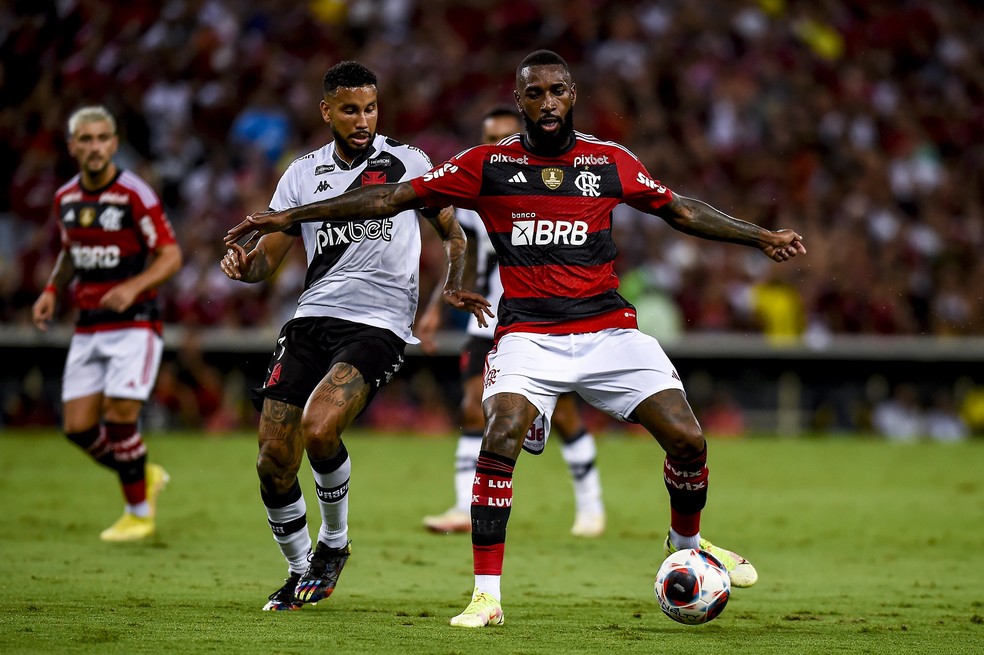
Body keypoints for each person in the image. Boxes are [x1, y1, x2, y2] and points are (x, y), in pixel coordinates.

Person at [224, 50, 807, 627]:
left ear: (572, 95)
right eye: (536, 93)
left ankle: (687, 543)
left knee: (688, 440)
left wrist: (760, 237)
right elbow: (391, 198)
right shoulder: (486, 165)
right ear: (520, 101)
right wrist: (289, 217)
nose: (548, 102)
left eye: (558, 91)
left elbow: (678, 209)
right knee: (497, 435)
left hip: (608, 328)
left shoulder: (609, 161)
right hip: (527, 333)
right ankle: (486, 596)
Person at [219, 61, 490, 612]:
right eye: (350, 109)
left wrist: (453, 286)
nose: (363, 119)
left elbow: (454, 233)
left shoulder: (408, 162)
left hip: (381, 322)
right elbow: (266, 262)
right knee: (273, 455)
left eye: (370, 108)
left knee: (320, 427)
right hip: (312, 317)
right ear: (327, 112)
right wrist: (242, 267)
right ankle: (299, 572)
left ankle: (334, 543)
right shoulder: (300, 173)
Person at [417, 106, 605, 538]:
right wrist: (434, 307)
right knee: (471, 407)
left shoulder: (544, 189)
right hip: (485, 320)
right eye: (490, 138)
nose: (498, 146)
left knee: (564, 416)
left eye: (506, 137)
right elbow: (458, 254)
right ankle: (465, 505)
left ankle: (590, 505)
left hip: (538, 318)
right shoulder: (469, 197)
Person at [32, 105, 182, 542]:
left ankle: (138, 512)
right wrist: (50, 290)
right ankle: (144, 474)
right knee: (78, 428)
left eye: (102, 139)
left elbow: (171, 256)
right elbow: (71, 251)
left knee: (120, 419)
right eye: (86, 140)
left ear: (114, 144)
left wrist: (134, 287)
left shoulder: (135, 193)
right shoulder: (66, 199)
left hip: (136, 323)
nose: (95, 147)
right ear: (72, 147)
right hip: (88, 323)